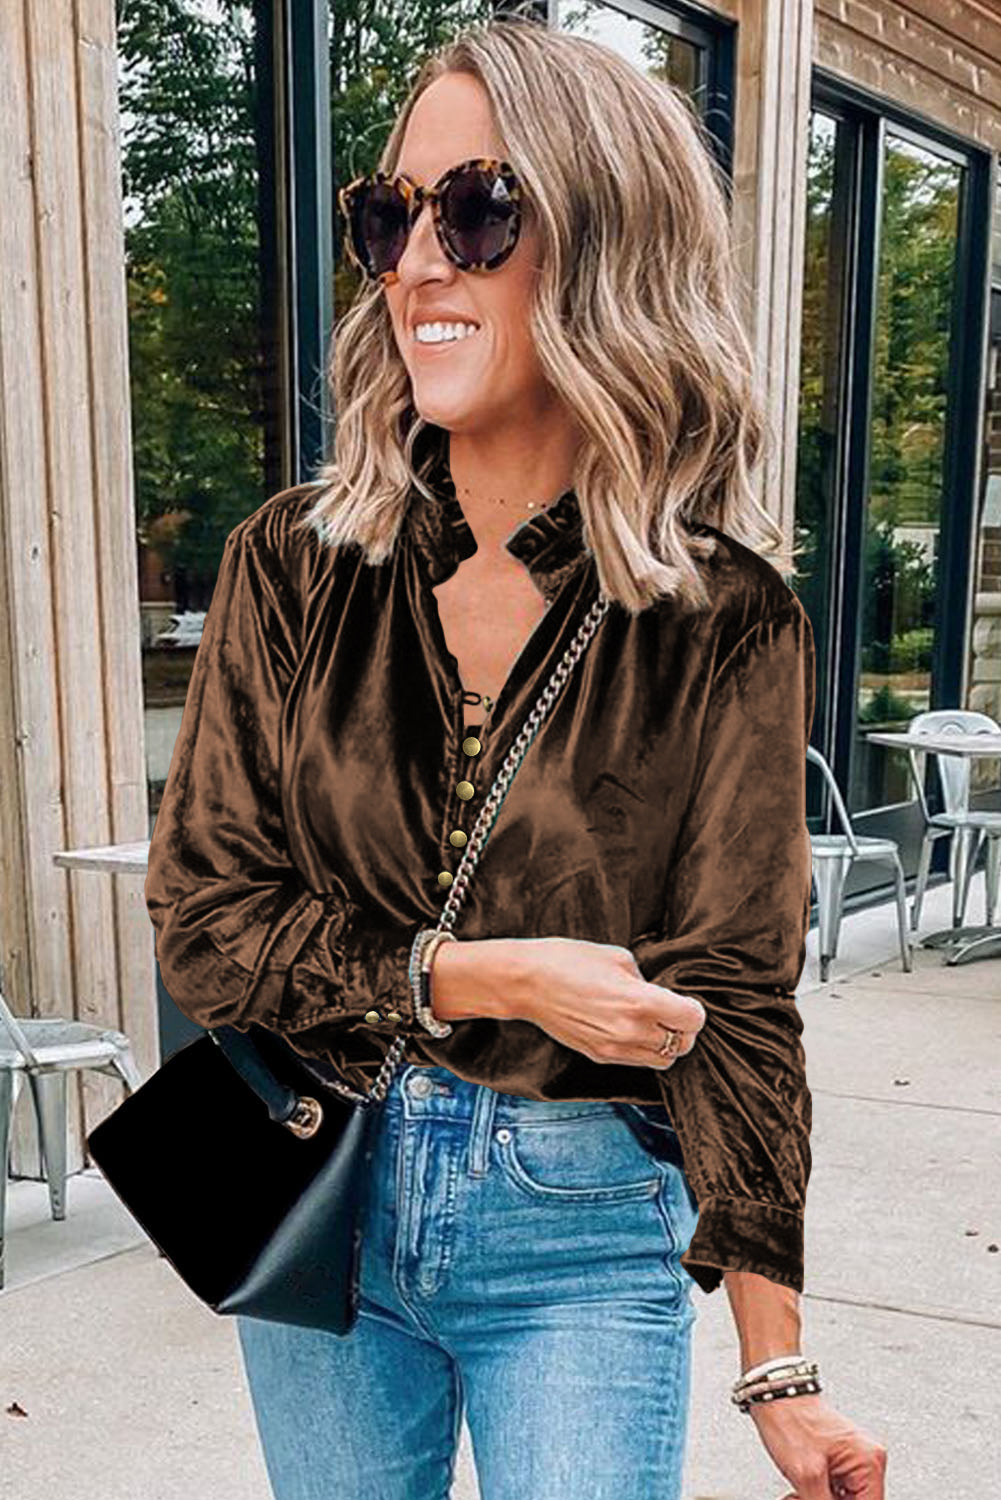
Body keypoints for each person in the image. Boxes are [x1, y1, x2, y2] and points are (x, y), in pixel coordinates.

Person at [144, 12, 888, 1500]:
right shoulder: (295, 562)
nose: (420, 260)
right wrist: (470, 975)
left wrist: (780, 1369)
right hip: (317, 1187)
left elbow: (734, 1005)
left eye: (478, 211)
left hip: (579, 1214)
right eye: (389, 216)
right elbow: (207, 925)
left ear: (606, 243)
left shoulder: (717, 615)